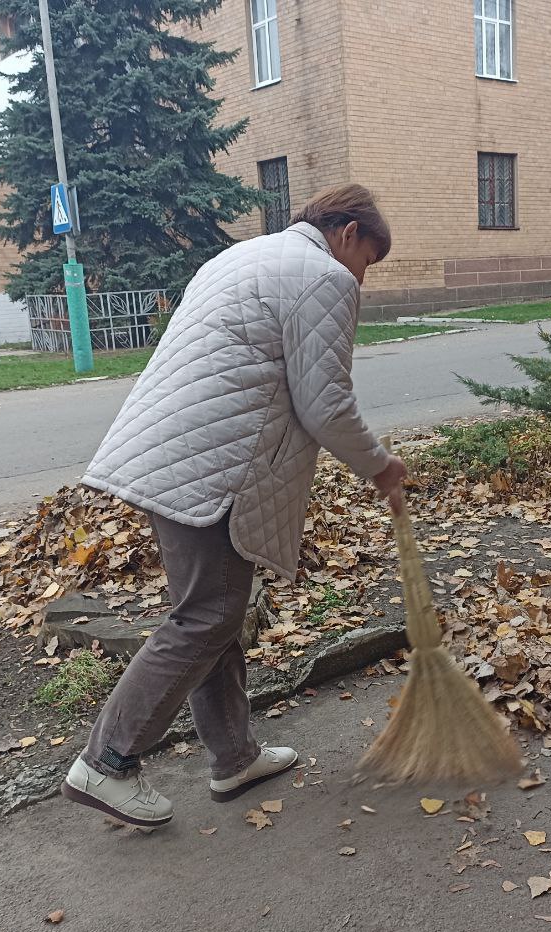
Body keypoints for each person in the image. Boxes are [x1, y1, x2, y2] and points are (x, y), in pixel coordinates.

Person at [62, 185, 408, 827]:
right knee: (208, 615)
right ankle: (107, 761)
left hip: (169, 451)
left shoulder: (239, 257)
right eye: (369, 260)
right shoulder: (324, 277)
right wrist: (381, 466)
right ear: (348, 233)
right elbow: (325, 405)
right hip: (217, 465)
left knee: (212, 614)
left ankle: (234, 757)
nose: (363, 276)